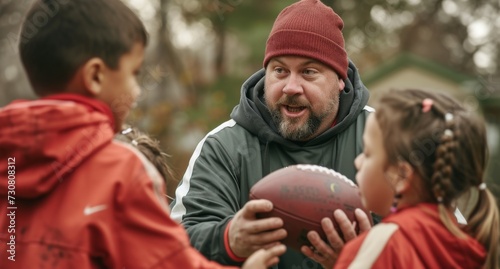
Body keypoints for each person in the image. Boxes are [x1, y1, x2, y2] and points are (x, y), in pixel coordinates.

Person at [0, 0, 286, 268]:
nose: (137, 91)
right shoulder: (120, 173)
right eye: (134, 73)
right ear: (96, 76)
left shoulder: (8, 162)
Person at [170, 0, 372, 267]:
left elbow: (430, 238)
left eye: (308, 72)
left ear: (340, 79)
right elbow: (174, 245)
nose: (291, 87)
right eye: (279, 70)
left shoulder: (383, 137)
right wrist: (228, 240)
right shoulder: (223, 146)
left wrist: (367, 257)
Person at [333, 88, 500, 268]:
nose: (358, 162)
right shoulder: (471, 246)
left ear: (401, 175)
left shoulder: (381, 245)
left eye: (367, 153)